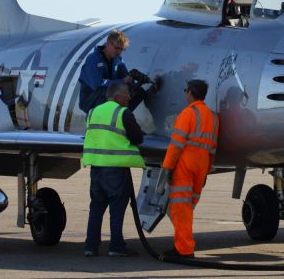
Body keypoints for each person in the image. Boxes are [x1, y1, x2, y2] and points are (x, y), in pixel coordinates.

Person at [82, 82, 146, 257]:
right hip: (116, 170)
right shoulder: (122, 112)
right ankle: (116, 246)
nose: (129, 97)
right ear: (117, 96)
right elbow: (137, 138)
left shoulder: (94, 112)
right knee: (116, 210)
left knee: (96, 208)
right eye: (126, 94)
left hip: (96, 168)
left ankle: (90, 246)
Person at [161, 79, 219, 258]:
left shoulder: (187, 114)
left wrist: (167, 168)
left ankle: (184, 249)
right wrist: (207, 170)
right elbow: (213, 148)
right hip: (202, 164)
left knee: (181, 208)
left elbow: (176, 144)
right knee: (188, 207)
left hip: (186, 163)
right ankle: (183, 244)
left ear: (190, 93)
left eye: (186, 90)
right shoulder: (212, 116)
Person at [78, 29, 157, 114]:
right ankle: (102, 118)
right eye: (116, 48)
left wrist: (138, 82)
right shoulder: (93, 59)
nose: (119, 52)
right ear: (108, 43)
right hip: (90, 100)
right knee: (107, 91)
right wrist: (122, 81)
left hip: (108, 95)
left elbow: (127, 78)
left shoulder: (118, 60)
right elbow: (97, 84)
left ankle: (122, 117)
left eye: (121, 49)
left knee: (138, 92)